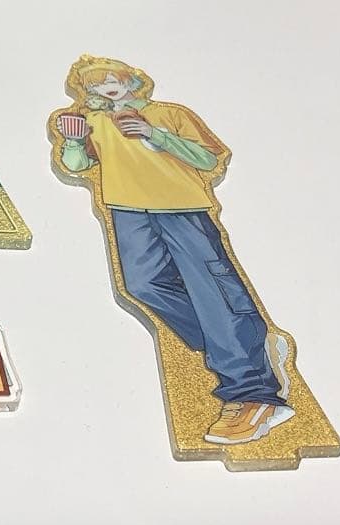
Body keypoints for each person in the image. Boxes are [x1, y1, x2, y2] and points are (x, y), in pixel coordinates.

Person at [54, 57, 293, 445]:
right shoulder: (93, 120)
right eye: (94, 85)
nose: (104, 87)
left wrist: (156, 135)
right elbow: (75, 164)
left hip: (182, 207)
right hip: (127, 210)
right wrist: (74, 140)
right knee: (143, 285)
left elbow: (209, 159)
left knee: (213, 292)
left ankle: (254, 393)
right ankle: (246, 345)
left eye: (111, 79)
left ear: (131, 80)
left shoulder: (169, 113)